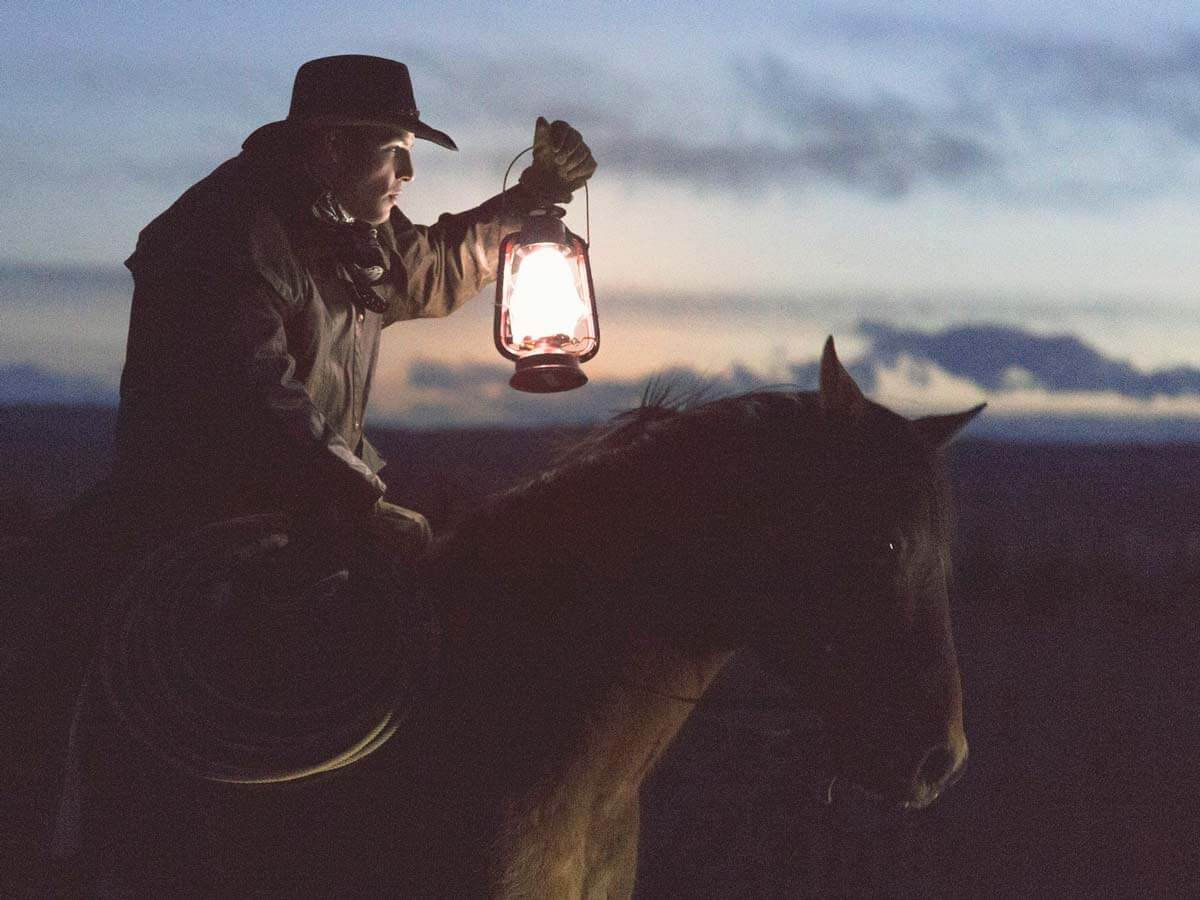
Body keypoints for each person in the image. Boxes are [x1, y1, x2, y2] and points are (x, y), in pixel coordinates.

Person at [109, 53, 596, 565]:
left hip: (300, 517)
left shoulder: (351, 226)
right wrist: (359, 501)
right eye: (394, 151)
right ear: (334, 145)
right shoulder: (226, 232)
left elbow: (433, 267)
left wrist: (534, 196)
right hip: (201, 536)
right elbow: (254, 397)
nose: (408, 172)